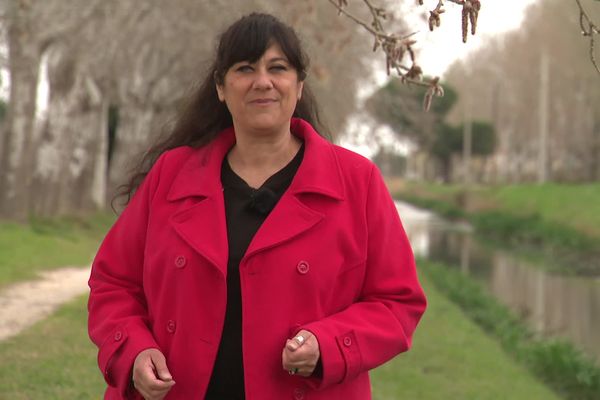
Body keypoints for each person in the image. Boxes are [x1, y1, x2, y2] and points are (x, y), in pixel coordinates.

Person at [88, 12, 426, 400]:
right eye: (245, 68)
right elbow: (113, 283)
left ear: (299, 86)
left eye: (277, 68)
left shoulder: (357, 181)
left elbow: (398, 303)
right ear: (220, 87)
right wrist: (134, 349)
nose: (262, 81)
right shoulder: (172, 175)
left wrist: (329, 344)